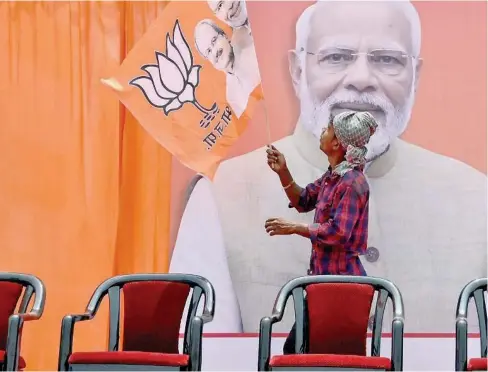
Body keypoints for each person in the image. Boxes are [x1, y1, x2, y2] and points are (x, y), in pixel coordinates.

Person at [170, 0, 487, 334]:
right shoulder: (221, 195)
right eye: (336, 57)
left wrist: (296, 229)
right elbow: (202, 353)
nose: (362, 78)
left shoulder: (477, 199)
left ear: (415, 77)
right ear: (297, 71)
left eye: (387, 59)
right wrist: (282, 173)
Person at [265, 110, 376, 353]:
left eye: (328, 129)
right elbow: (303, 200)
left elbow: (337, 233)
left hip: (342, 288)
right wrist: (283, 171)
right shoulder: (333, 177)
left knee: (324, 356)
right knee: (298, 351)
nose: (322, 132)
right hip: (324, 283)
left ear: (337, 143)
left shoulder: (353, 183)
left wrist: (295, 227)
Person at [194, 19, 261, 117]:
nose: (214, 52)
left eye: (214, 41)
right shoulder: (231, 96)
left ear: (224, 35)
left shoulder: (252, 46)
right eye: (208, 51)